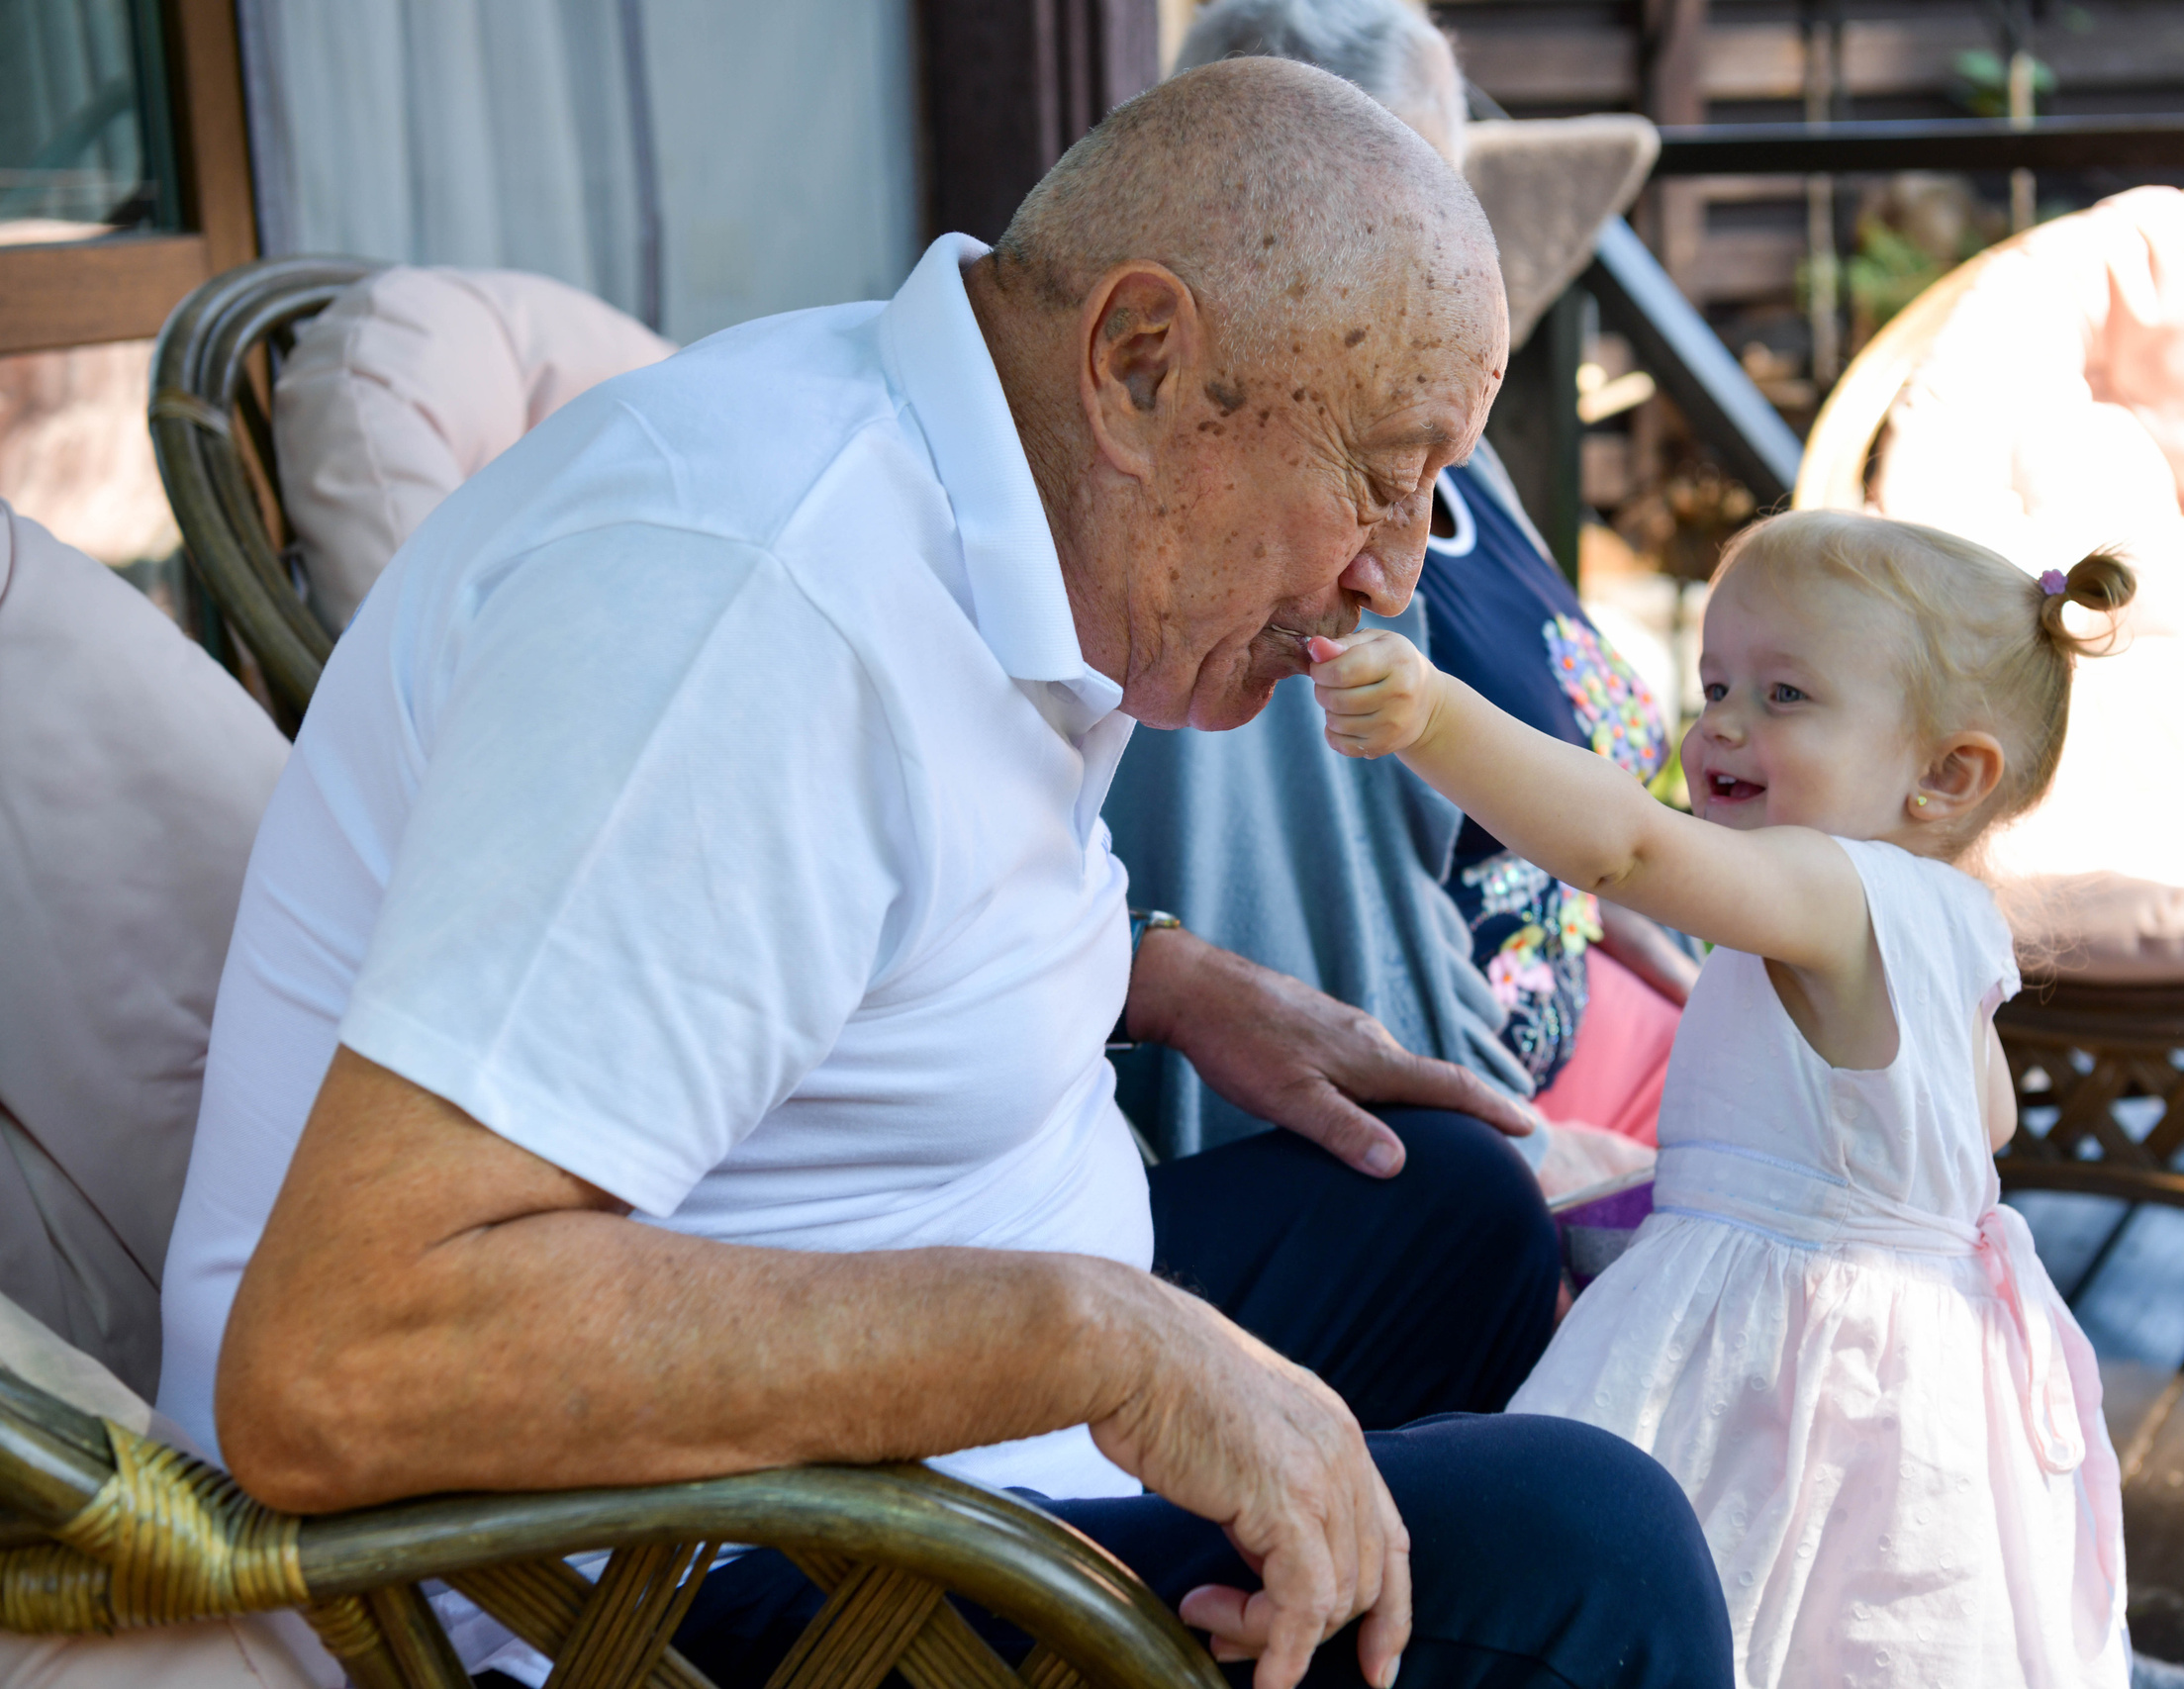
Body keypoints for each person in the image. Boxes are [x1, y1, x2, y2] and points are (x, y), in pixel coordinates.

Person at [156, 58, 1733, 1689]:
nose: (1393, 577)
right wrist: (1100, 1344)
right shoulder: (747, 617)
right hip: (638, 1584)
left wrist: (1161, 972)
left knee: (1446, 1203)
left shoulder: (986, 475)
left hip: (889, 1408)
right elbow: (336, 1359)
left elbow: (809, 893)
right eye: (1386, 480)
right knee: (1591, 1557)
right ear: (1138, 363)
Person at [1306, 511, 2137, 1686]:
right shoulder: (1952, 928)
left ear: (1947, 775)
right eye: (1715, 685)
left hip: (1782, 1356)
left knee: (1721, 1584)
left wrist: (1436, 715)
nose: (1724, 727)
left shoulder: (1831, 888)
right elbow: (1969, 1132)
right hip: (1917, 1355)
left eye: (1785, 696)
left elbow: (1628, 852)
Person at [1105, 0, 1694, 1177]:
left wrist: (1668, 937)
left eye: (1454, 196)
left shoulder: (1451, 464)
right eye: (1402, 199)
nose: (1445, 249)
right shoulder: (1283, 575)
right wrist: (1546, 1170)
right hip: (1520, 1135)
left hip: (1648, 1024)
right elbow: (1330, 963)